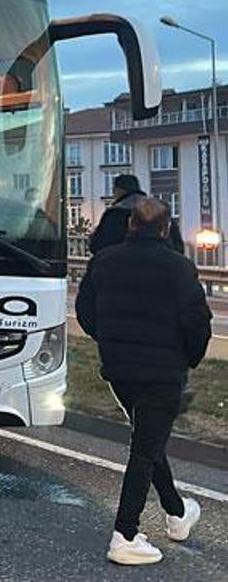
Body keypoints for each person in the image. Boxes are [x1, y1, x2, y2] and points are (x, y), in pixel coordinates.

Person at [75, 198, 211, 566]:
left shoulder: (104, 261)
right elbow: (198, 323)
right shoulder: (179, 268)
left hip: (119, 371)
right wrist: (189, 359)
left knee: (148, 440)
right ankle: (126, 534)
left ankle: (177, 513)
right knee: (145, 450)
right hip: (163, 372)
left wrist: (109, 341)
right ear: (166, 228)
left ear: (131, 225)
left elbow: (85, 310)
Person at [89, 174, 183, 254]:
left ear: (117, 190)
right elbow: (178, 247)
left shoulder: (114, 214)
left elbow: (97, 246)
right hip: (163, 267)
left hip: (122, 269)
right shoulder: (160, 210)